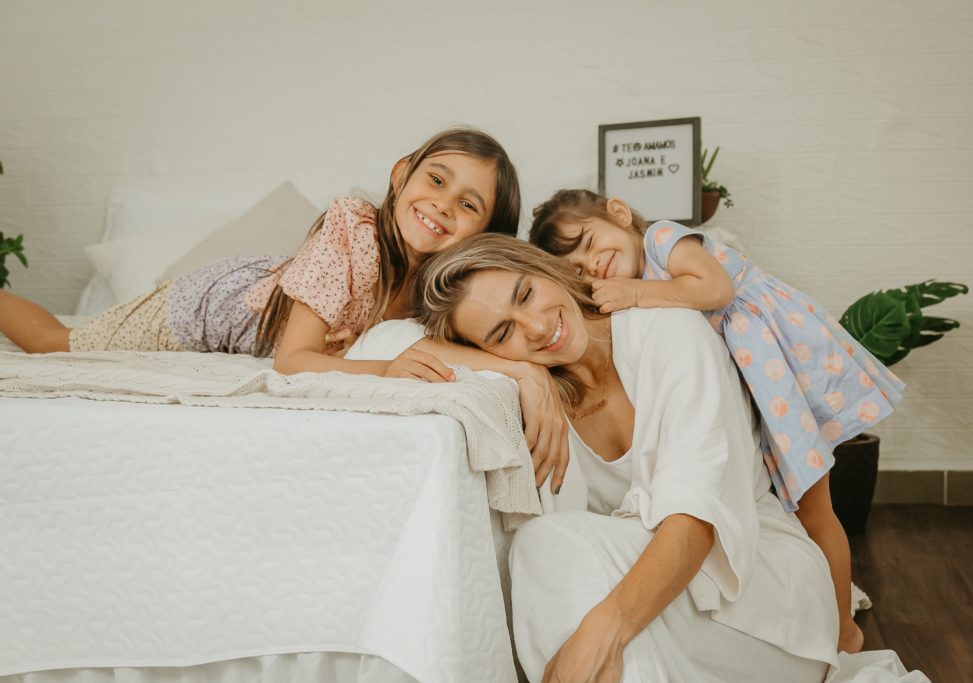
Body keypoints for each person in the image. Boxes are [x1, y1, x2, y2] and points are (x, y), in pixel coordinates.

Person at [412, 234, 925, 683]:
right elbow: (396, 349)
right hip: (655, 601)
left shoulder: (668, 332)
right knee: (546, 559)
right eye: (502, 334)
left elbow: (695, 522)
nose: (535, 326)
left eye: (525, 294)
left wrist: (602, 630)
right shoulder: (531, 394)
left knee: (547, 552)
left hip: (763, 593)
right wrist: (528, 375)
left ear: (545, 268)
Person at [0, 128, 568, 490]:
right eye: (435, 179)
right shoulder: (355, 228)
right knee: (55, 342)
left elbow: (434, 346)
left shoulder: (448, 286)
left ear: (486, 233)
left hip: (271, 285)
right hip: (213, 303)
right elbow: (293, 361)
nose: (441, 205)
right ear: (402, 174)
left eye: (467, 204)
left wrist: (525, 368)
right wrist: (383, 373)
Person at [528, 189, 907, 653]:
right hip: (756, 388)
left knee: (814, 508)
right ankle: (819, 602)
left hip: (779, 374)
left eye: (589, 243)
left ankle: (844, 627)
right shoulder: (636, 290)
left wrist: (637, 292)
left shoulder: (664, 240)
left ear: (620, 214)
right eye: (578, 272)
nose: (593, 266)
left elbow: (716, 289)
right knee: (787, 503)